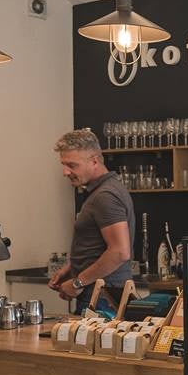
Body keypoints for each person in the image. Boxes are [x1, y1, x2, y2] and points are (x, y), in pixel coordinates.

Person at [49, 129, 135, 315]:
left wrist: (78, 282)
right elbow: (99, 247)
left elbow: (120, 252)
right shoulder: (102, 191)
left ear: (94, 161)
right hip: (99, 293)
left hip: (102, 297)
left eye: (72, 165)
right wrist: (72, 268)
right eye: (63, 165)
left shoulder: (105, 196)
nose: (65, 172)